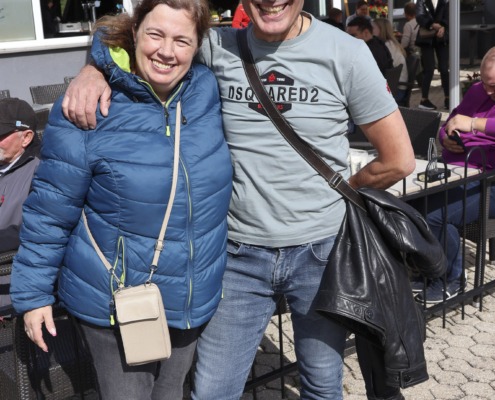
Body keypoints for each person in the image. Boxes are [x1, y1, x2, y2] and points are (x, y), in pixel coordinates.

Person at [61, 0, 416, 398]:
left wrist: (337, 192)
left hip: (320, 253)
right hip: (237, 257)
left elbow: (398, 160)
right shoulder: (217, 46)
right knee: (213, 391)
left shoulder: (346, 53)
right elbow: (130, 34)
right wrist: (94, 71)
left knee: (321, 383)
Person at [9, 1, 233, 399]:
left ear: (198, 45)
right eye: (155, 35)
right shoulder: (87, 106)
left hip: (191, 293)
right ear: (134, 32)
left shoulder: (205, 89)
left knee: (171, 393)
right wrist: (33, 295)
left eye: (182, 40)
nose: (167, 51)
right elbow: (50, 209)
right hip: (117, 300)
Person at [413, 47, 495, 304]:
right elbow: (451, 121)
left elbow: (466, 121)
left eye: (493, 85)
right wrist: (445, 138)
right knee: (410, 205)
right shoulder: (478, 91)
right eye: (484, 82)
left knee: (434, 215)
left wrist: (473, 124)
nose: (487, 90)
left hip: (488, 183)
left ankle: (451, 279)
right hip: (456, 172)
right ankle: (431, 269)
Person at [0, 98, 40, 315]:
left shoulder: (41, 172)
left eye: (1, 135)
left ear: (26, 137)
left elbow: (39, 229)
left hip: (17, 297)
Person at [416, 0, 449, 110]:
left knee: (444, 68)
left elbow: (448, 15)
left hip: (441, 37)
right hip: (426, 38)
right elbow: (419, 16)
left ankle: (448, 97)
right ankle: (424, 99)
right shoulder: (421, 1)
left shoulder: (445, 1)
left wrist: (443, 27)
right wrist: (432, 25)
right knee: (429, 69)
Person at [372, 18, 408, 103]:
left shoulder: (387, 46)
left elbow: (383, 69)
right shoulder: (391, 44)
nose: (370, 31)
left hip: (396, 90)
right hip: (396, 87)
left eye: (372, 28)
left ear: (381, 30)